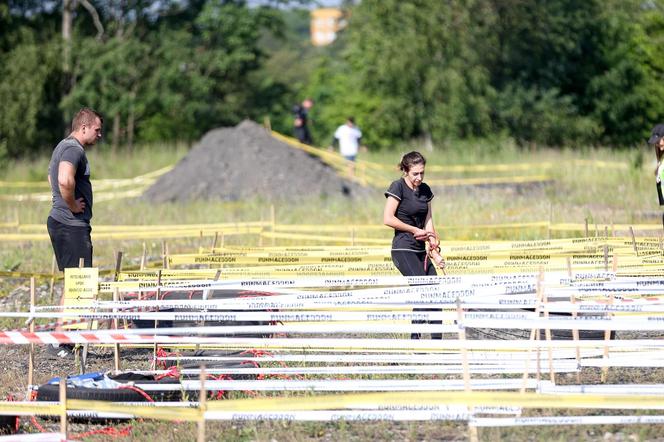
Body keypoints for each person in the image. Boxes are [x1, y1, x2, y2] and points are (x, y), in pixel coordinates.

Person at [383, 151, 445, 340]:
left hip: (421, 250)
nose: (419, 178)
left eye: (422, 173)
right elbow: (387, 218)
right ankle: (415, 343)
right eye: (415, 174)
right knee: (423, 292)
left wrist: (434, 249)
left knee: (436, 294)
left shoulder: (425, 190)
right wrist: (413, 230)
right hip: (403, 248)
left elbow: (428, 220)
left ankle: (438, 345)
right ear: (406, 171)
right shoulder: (398, 187)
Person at [47, 107, 103, 271]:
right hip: (70, 224)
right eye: (97, 130)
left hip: (64, 222)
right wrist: (71, 204)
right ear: (84, 128)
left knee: (74, 286)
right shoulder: (74, 149)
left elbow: (51, 177)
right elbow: (63, 180)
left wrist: (60, 199)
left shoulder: (62, 145)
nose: (99, 135)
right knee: (81, 285)